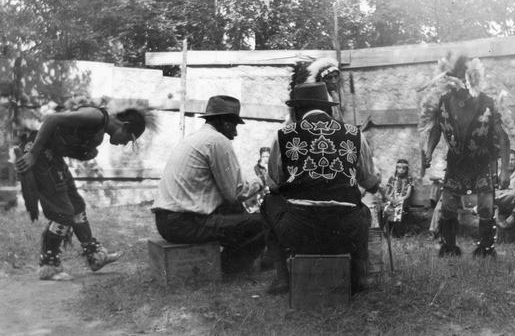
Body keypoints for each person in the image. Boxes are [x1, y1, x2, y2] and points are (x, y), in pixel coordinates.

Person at [15, 98, 156, 280]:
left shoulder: (98, 132)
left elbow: (62, 141)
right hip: (39, 155)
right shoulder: (95, 116)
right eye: (128, 139)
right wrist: (33, 155)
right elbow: (51, 120)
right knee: (63, 212)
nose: (124, 144)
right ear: (124, 126)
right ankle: (48, 266)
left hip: (52, 157)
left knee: (77, 206)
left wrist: (83, 153)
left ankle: (95, 256)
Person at [261, 82, 380, 295]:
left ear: (296, 110)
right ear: (327, 108)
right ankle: (360, 275)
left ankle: (282, 278)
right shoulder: (355, 134)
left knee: (269, 202)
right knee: (362, 209)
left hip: (298, 230)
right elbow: (371, 182)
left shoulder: (283, 135)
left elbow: (273, 183)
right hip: (345, 229)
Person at [152, 95, 267, 275]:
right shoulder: (217, 141)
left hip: (168, 221)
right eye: (234, 126)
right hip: (184, 223)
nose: (235, 133)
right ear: (226, 124)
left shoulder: (197, 138)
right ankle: (226, 269)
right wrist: (261, 182)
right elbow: (235, 192)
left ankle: (244, 262)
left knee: (236, 211)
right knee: (263, 223)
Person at [420, 53, 510, 258]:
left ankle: (486, 249)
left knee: (486, 207)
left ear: (472, 78)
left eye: (464, 77)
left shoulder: (487, 102)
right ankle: (449, 247)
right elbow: (436, 129)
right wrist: (429, 152)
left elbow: (503, 138)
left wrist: (504, 170)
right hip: (456, 162)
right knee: (448, 206)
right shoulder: (444, 101)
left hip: (481, 161)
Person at [383, 159, 414, 236]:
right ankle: (388, 230)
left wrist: (399, 199)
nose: (401, 170)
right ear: (396, 168)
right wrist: (391, 199)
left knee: (399, 208)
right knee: (387, 208)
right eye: (399, 168)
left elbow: (408, 194)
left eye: (404, 168)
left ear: (407, 169)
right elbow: (386, 194)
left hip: (403, 199)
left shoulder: (409, 178)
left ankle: (397, 232)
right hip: (392, 198)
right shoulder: (392, 178)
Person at [494, 149, 515, 221]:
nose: (510, 162)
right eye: (508, 160)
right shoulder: (499, 174)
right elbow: (494, 190)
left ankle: (486, 205)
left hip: (511, 205)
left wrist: (503, 192)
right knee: (491, 193)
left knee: (512, 195)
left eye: (512, 160)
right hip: (500, 204)